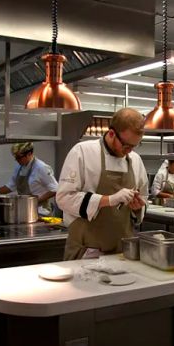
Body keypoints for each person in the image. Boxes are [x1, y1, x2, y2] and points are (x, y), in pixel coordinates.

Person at [56, 108, 148, 260]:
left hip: (122, 253)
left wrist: (138, 208)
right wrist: (109, 200)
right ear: (111, 133)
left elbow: (144, 196)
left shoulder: (136, 160)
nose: (129, 151)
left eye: (134, 146)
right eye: (126, 145)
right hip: (87, 253)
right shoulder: (82, 152)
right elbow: (64, 198)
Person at [0, 142, 59, 215]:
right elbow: (11, 186)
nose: (17, 160)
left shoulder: (41, 168)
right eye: (16, 157)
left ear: (29, 154)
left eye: (19, 157)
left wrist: (34, 201)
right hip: (25, 210)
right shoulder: (19, 167)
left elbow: (55, 189)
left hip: (40, 211)